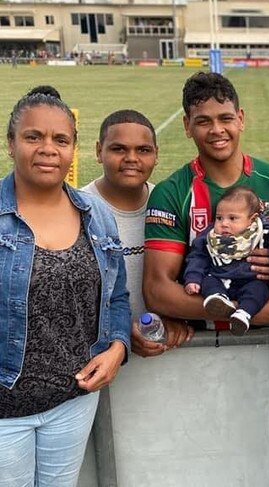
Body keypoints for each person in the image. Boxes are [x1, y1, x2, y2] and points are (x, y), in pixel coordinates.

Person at [0, 89, 131, 485]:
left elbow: (118, 297)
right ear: (11, 145)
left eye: (60, 140)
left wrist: (118, 349)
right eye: (33, 137)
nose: (47, 149)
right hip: (5, 411)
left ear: (73, 149)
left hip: (73, 402)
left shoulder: (97, 216)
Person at [143, 72, 269, 328]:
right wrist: (243, 312)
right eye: (203, 121)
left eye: (226, 118)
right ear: (187, 125)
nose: (217, 130)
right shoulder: (170, 193)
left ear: (240, 119)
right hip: (204, 345)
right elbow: (157, 290)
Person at [83, 109, 194, 357]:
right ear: (99, 151)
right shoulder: (77, 208)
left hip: (163, 356)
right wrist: (119, 333)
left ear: (156, 155)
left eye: (143, 150)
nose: (131, 158)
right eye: (118, 149)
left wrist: (176, 318)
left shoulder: (171, 205)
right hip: (98, 359)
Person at [183, 185, 269, 335]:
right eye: (219, 218)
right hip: (220, 279)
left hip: (250, 280)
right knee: (207, 280)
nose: (224, 223)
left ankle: (243, 314)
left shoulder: (264, 231)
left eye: (232, 218)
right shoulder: (210, 235)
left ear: (252, 219)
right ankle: (217, 299)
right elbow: (197, 256)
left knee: (259, 290)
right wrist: (192, 278)